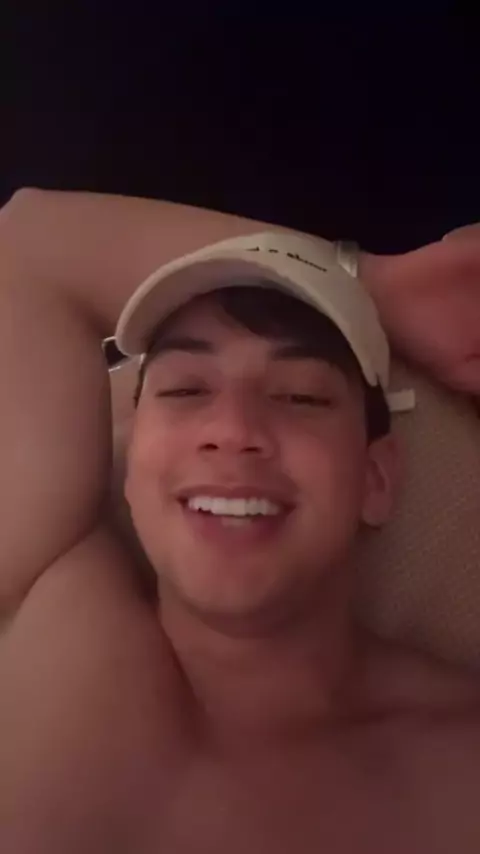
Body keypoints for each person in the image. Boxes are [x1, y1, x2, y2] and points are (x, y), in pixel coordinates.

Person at [0, 189, 479, 854]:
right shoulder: (49, 625)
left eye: (299, 396)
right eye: (185, 390)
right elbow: (23, 244)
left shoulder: (461, 768)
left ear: (376, 479)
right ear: (131, 470)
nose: (231, 429)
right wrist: (373, 287)